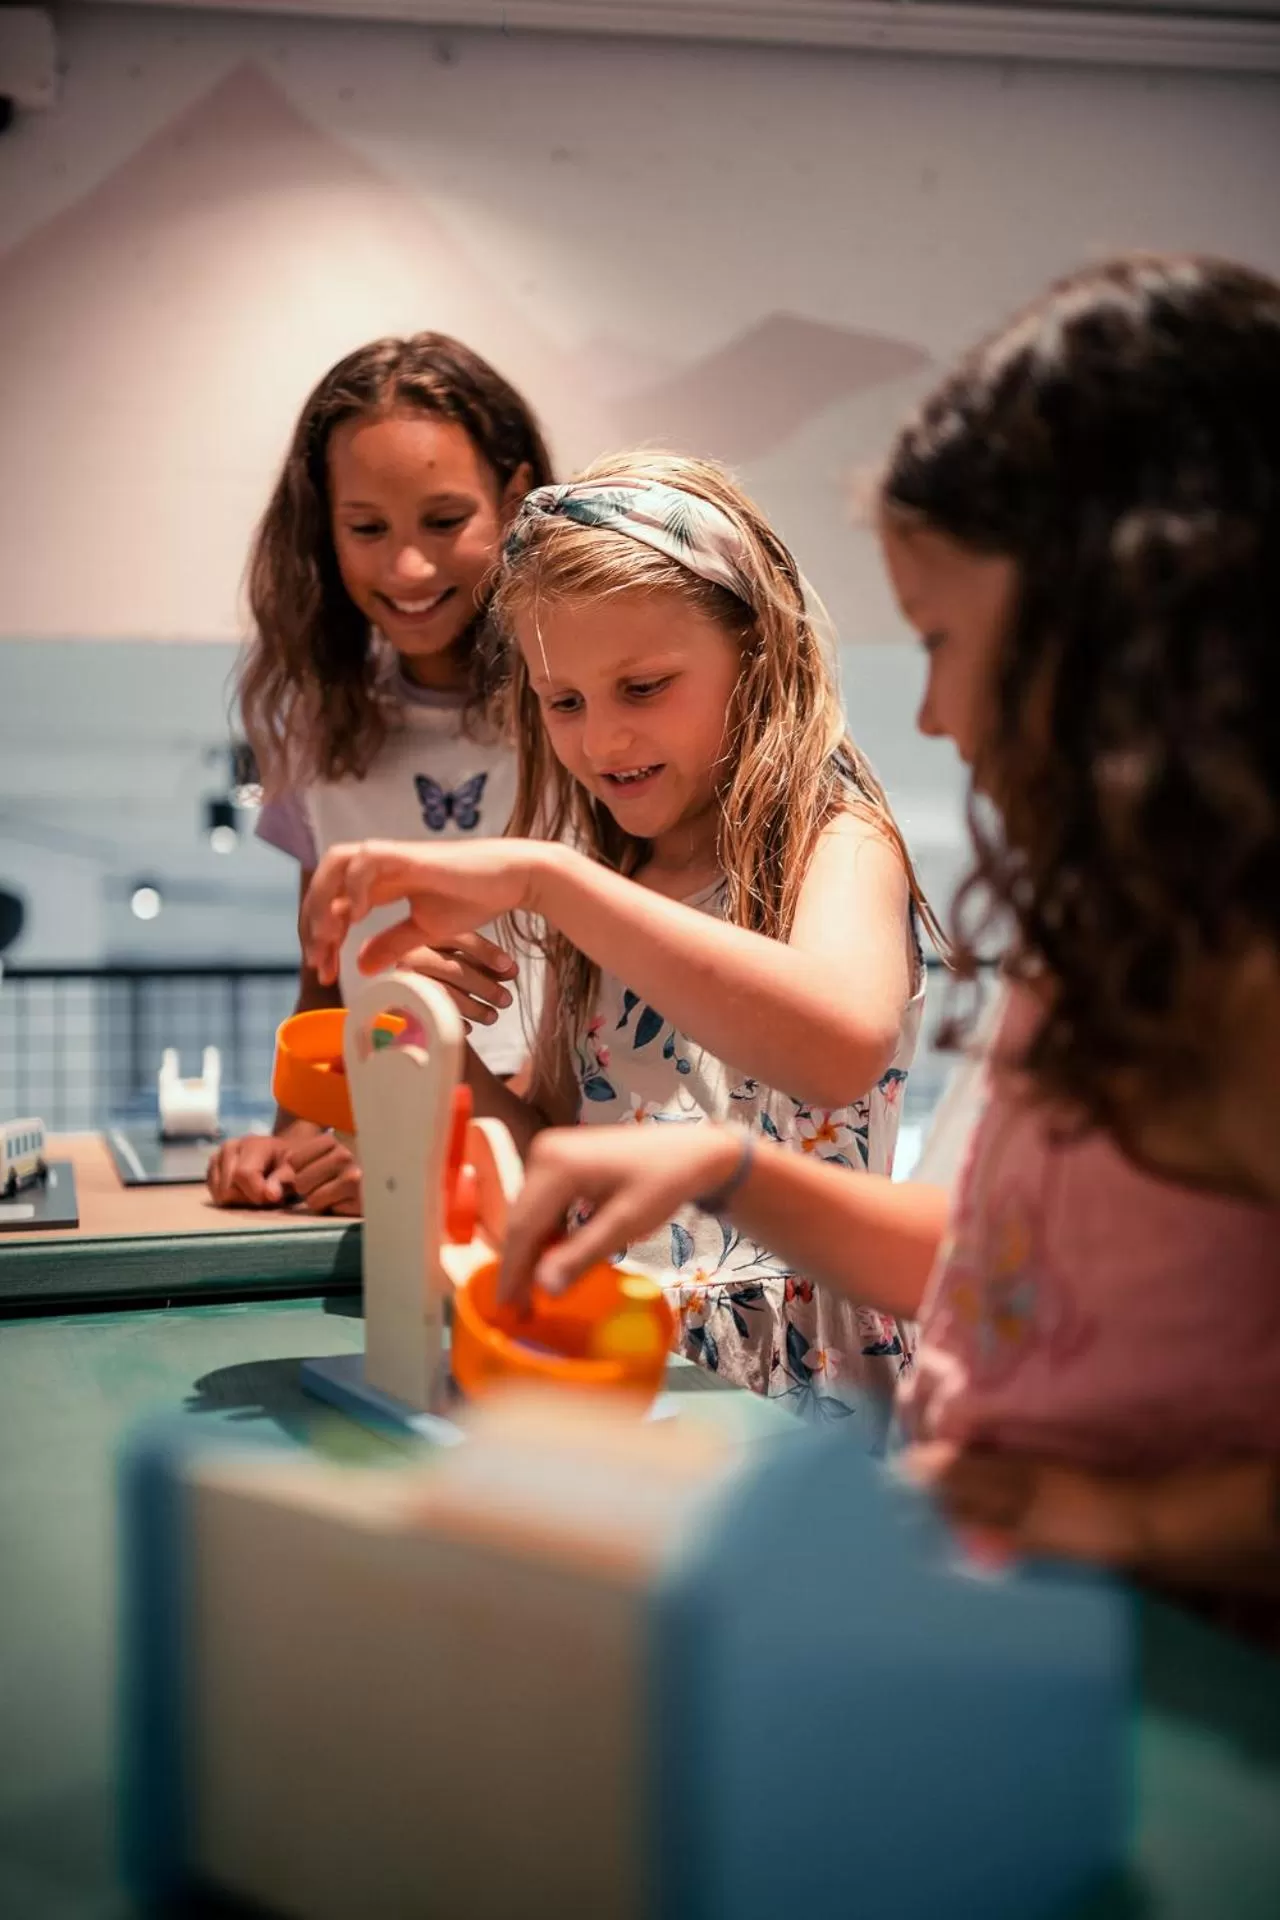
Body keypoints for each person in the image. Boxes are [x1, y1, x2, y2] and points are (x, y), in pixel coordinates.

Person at [483, 257, 1280, 1609]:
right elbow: (1004, 1263)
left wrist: (1102, 1514)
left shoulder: (1239, 979)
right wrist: (719, 1168)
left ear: (1121, 634)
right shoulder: (1109, 934)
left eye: (953, 644)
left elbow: (846, 1051)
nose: (931, 720)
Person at [303, 451, 937, 1428]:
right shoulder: (607, 887)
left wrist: (545, 879)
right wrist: (439, 1043)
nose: (600, 743)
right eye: (565, 703)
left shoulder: (835, 836)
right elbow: (557, 1162)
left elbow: (836, 1047)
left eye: (641, 688)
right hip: (612, 1375)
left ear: (756, 654)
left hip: (804, 1411)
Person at [206, 334, 554, 1216]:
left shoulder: (580, 714)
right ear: (323, 525)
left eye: (445, 521)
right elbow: (325, 979)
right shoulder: (314, 725)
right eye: (368, 528)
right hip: (390, 1166)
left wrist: (434, 1159)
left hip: (546, 1168)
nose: (407, 568)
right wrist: (291, 1141)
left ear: (516, 500)